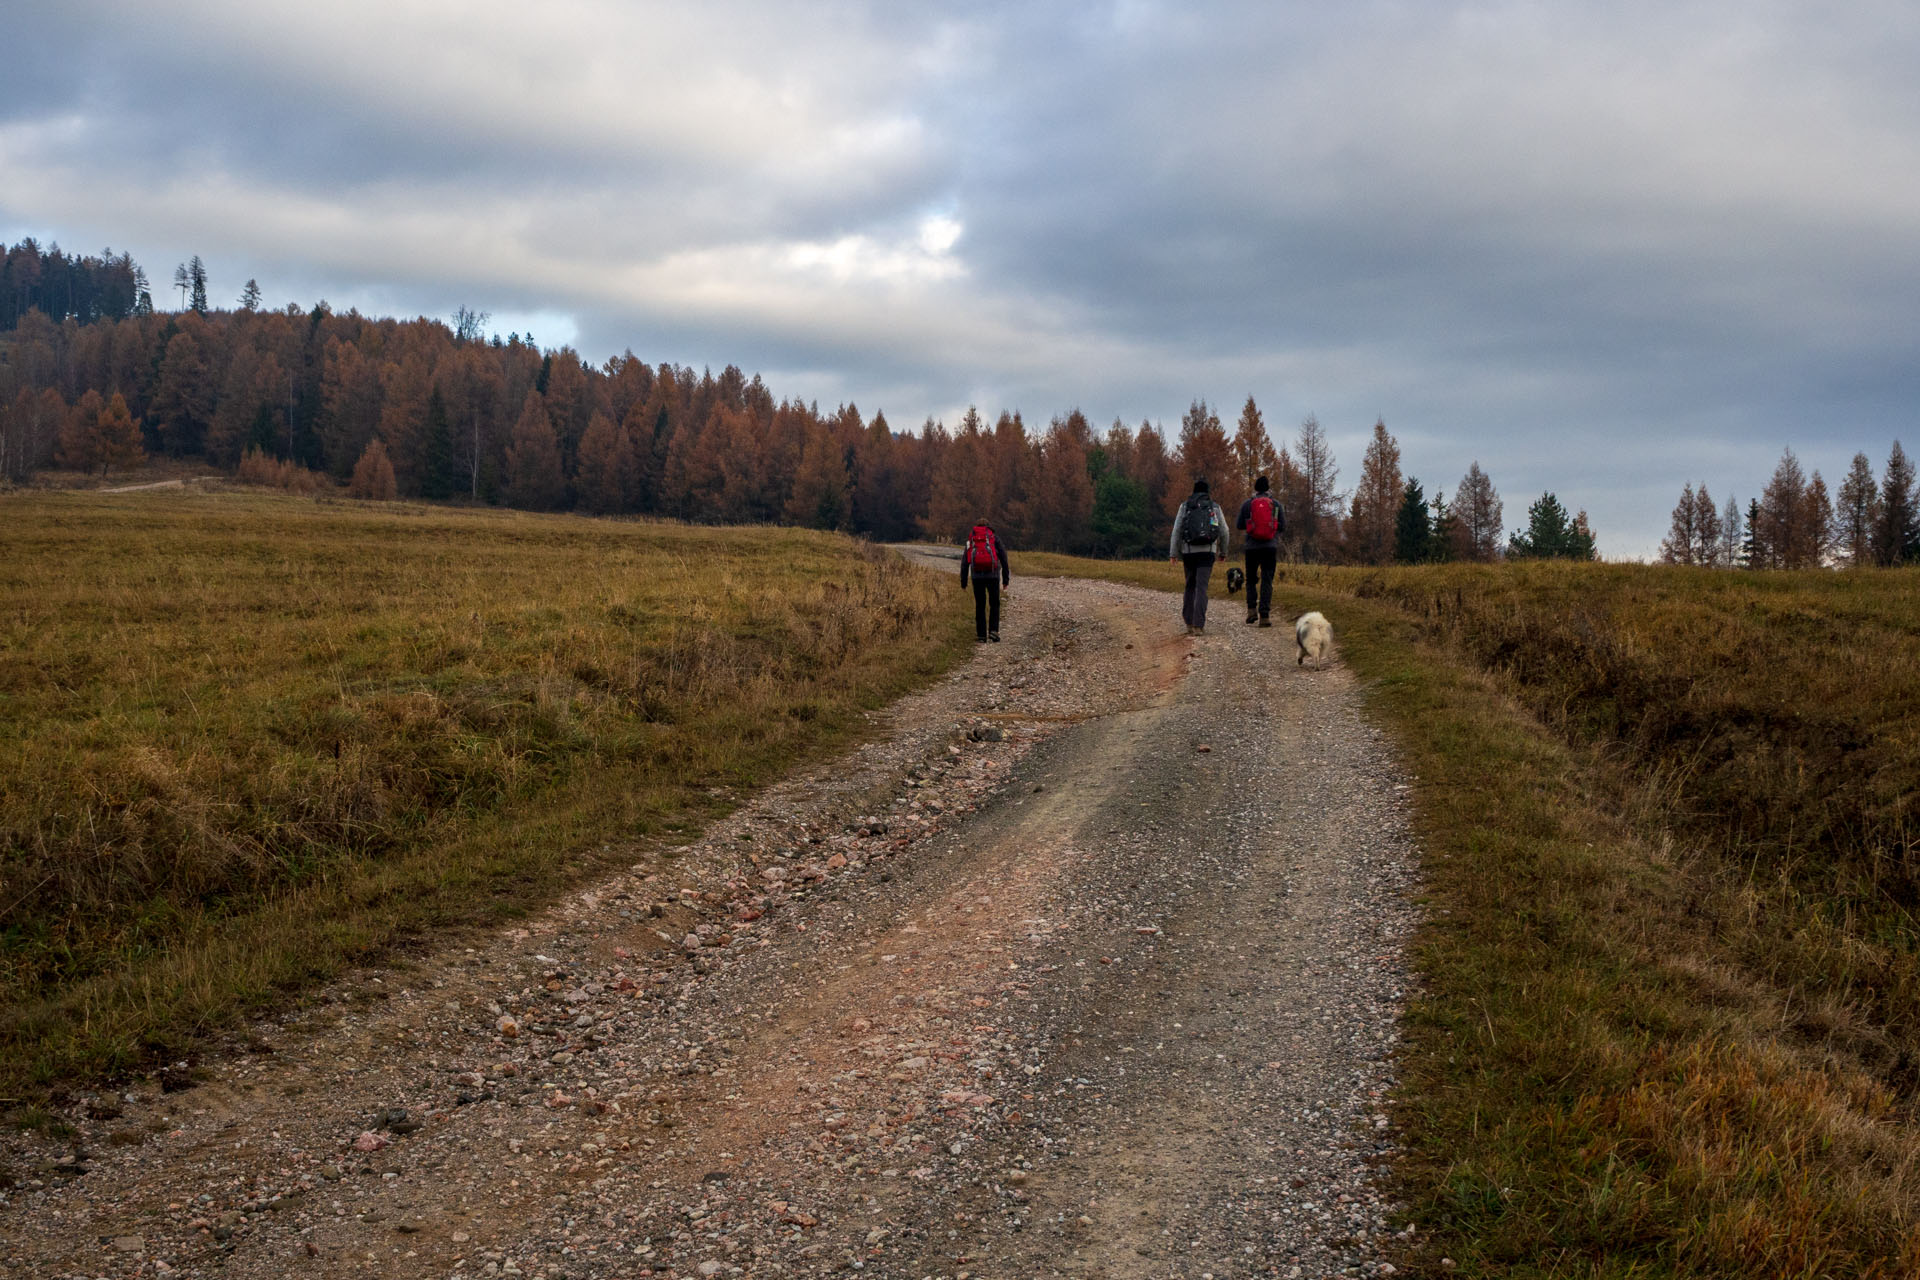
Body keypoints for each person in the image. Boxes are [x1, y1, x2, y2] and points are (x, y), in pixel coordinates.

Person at [1168, 479, 1228, 635]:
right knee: (1202, 587)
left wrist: (1174, 553)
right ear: (1207, 491)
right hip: (1207, 552)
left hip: (1188, 552)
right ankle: (1198, 625)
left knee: (1190, 586)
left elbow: (1176, 530)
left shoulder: (1185, 506)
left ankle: (1188, 621)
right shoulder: (1214, 507)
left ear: (1193, 491)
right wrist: (1223, 552)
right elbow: (1224, 531)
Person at [1235, 475, 1285, 627]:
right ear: (1268, 488)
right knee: (1267, 580)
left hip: (1252, 547)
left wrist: (1252, 526)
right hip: (1270, 547)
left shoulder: (1247, 504)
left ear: (1255, 488)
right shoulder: (1276, 505)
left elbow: (1239, 525)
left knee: (1250, 579)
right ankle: (1265, 616)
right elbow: (1282, 526)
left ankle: (1251, 610)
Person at [960, 519, 1012, 642]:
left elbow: (964, 562)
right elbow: (1004, 558)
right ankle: (993, 631)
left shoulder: (971, 540)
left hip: (977, 577)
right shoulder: (994, 538)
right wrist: (1005, 579)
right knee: (994, 603)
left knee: (980, 605)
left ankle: (981, 635)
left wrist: (963, 582)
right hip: (993, 576)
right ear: (988, 527)